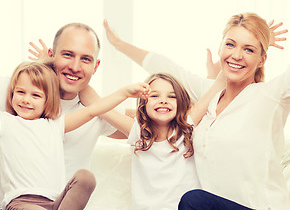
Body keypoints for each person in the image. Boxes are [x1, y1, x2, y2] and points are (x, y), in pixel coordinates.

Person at [102, 14, 290, 209]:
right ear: (220, 48)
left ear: (262, 59)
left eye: (249, 50)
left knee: (192, 200)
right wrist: (119, 45)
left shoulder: (270, 96)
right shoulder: (209, 95)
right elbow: (166, 68)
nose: (236, 55)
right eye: (231, 45)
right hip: (214, 206)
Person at [0, 40, 150, 209]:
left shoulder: (55, 125)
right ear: (12, 93)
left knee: (86, 178)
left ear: (47, 101)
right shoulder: (4, 122)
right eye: (20, 93)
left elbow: (93, 110)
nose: (26, 100)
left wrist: (124, 92)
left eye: (35, 95)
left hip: (54, 202)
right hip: (21, 202)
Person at [79, 72, 225, 210]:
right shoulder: (138, 132)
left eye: (172, 97)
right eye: (154, 95)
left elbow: (218, 85)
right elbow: (94, 101)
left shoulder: (187, 126)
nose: (163, 100)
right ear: (143, 103)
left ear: (181, 103)